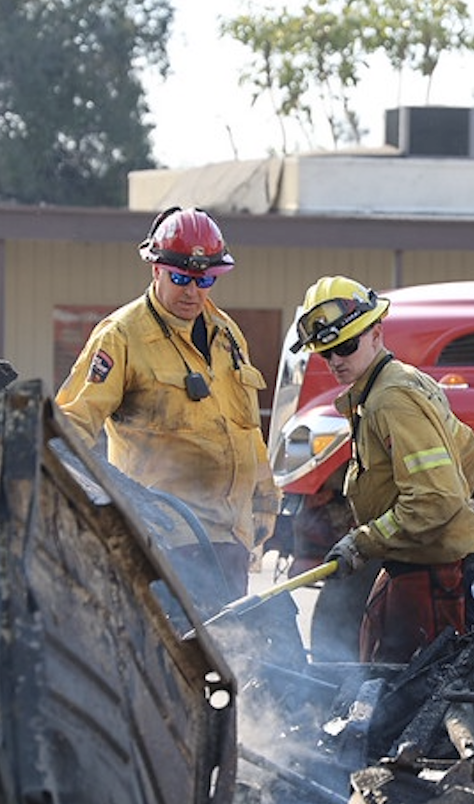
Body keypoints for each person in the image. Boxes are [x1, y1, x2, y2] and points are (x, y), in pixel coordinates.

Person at [55, 207, 294, 661]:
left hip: (230, 543)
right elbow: (69, 430)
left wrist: (266, 508)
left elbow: (245, 430)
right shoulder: (121, 337)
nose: (193, 292)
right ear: (155, 268)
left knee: (235, 668)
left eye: (206, 281)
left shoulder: (227, 335)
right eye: (181, 279)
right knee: (176, 668)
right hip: (167, 548)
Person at [289, 275, 474, 664]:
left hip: (437, 577)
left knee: (408, 700)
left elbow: (436, 497)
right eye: (325, 352)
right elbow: (470, 459)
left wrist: (363, 542)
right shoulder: (394, 385)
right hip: (425, 566)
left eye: (345, 347)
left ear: (376, 333)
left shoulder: (391, 399)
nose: (335, 361)